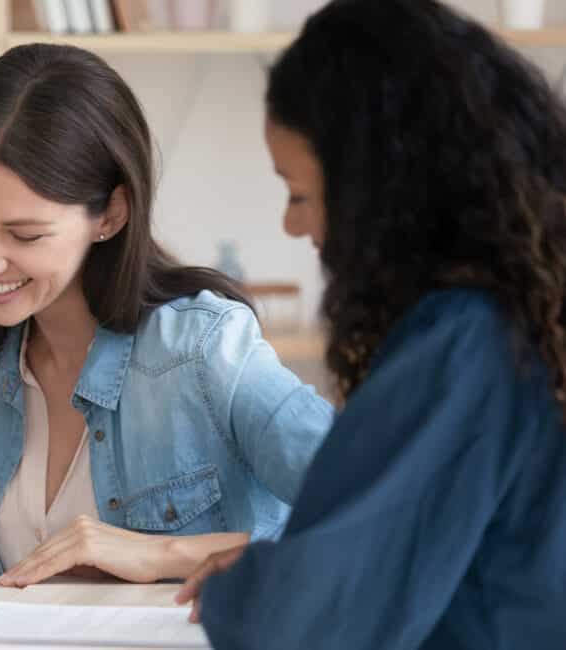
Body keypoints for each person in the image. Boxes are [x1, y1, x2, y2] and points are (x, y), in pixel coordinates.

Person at [176, 1, 566, 647]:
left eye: (299, 194)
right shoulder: (528, 314)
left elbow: (309, 621)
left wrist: (243, 588)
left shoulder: (463, 340)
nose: (291, 225)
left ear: (380, 189)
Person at [0, 43, 334, 584]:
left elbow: (387, 506)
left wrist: (165, 555)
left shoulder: (201, 349)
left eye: (23, 233)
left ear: (112, 214)